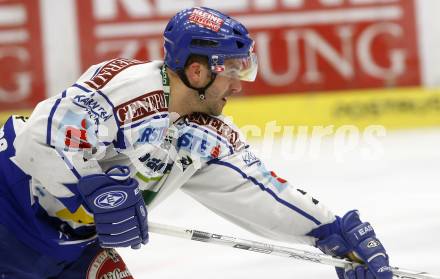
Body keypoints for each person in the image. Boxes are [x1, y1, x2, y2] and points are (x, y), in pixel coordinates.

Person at [0, 6, 392, 279]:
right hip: (8, 213)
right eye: (232, 70)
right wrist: (94, 189)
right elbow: (43, 139)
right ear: (197, 69)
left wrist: (334, 233)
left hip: (69, 248)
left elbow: (259, 191)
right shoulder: (124, 86)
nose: (239, 84)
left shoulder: (205, 136)